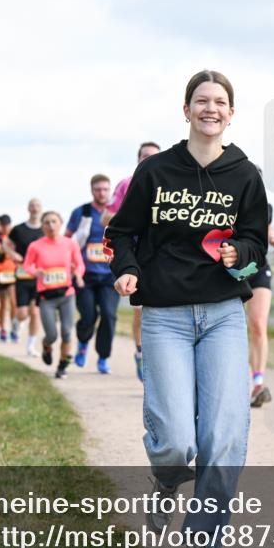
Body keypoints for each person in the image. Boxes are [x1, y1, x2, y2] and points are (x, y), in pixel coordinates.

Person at [104, 69, 268, 548]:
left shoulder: (246, 175)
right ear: (186, 109)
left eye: (220, 101)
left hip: (221, 315)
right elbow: (122, 233)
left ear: (231, 112)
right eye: (201, 100)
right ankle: (168, 478)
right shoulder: (156, 173)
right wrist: (128, 269)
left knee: (224, 434)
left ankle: (203, 537)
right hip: (165, 318)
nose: (210, 108)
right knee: (176, 438)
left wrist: (238, 250)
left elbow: (257, 245)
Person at [103, 141, 161, 381]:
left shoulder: (168, 183)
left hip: (160, 254)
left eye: (153, 156)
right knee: (140, 309)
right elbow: (106, 217)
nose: (148, 160)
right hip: (134, 255)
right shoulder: (127, 184)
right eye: (144, 156)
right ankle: (140, 352)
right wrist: (133, 219)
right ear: (137, 159)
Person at [23, 211, 86, 379]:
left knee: (66, 331)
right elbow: (27, 265)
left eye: (54, 221)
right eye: (47, 222)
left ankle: (62, 366)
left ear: (61, 223)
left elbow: (80, 264)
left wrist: (78, 274)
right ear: (42, 226)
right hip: (46, 297)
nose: (51, 226)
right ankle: (46, 346)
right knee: (51, 334)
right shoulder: (36, 246)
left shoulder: (70, 244)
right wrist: (36, 272)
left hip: (67, 294)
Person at [66, 175, 119, 374]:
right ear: (91, 190)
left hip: (109, 275)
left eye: (105, 189)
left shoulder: (118, 212)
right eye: (98, 189)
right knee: (88, 315)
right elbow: (66, 240)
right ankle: (82, 343)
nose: (102, 193)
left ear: (110, 190)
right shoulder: (81, 212)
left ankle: (103, 357)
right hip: (85, 274)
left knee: (109, 314)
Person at [247, 201, 274, 407]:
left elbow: (266, 226)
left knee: (258, 325)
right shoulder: (225, 199)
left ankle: (258, 384)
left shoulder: (265, 206)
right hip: (229, 271)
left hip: (259, 269)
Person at [7, 199, 45, 356]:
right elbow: (6, 245)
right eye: (32, 206)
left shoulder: (46, 229)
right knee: (23, 313)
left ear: (41, 209)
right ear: (28, 208)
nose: (35, 208)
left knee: (35, 312)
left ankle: (31, 346)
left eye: (37, 206)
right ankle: (16, 323)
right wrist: (13, 254)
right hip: (22, 275)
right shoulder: (18, 229)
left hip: (40, 276)